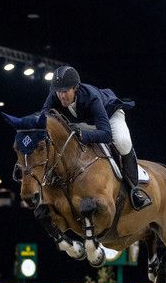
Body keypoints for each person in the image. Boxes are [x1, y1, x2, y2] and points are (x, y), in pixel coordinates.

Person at [41, 65, 151, 210]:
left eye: (65, 92)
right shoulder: (55, 95)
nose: (61, 96)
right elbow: (43, 119)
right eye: (58, 92)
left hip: (110, 117)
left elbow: (106, 134)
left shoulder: (91, 97)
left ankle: (134, 189)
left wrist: (81, 135)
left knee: (123, 143)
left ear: (75, 88)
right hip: (85, 122)